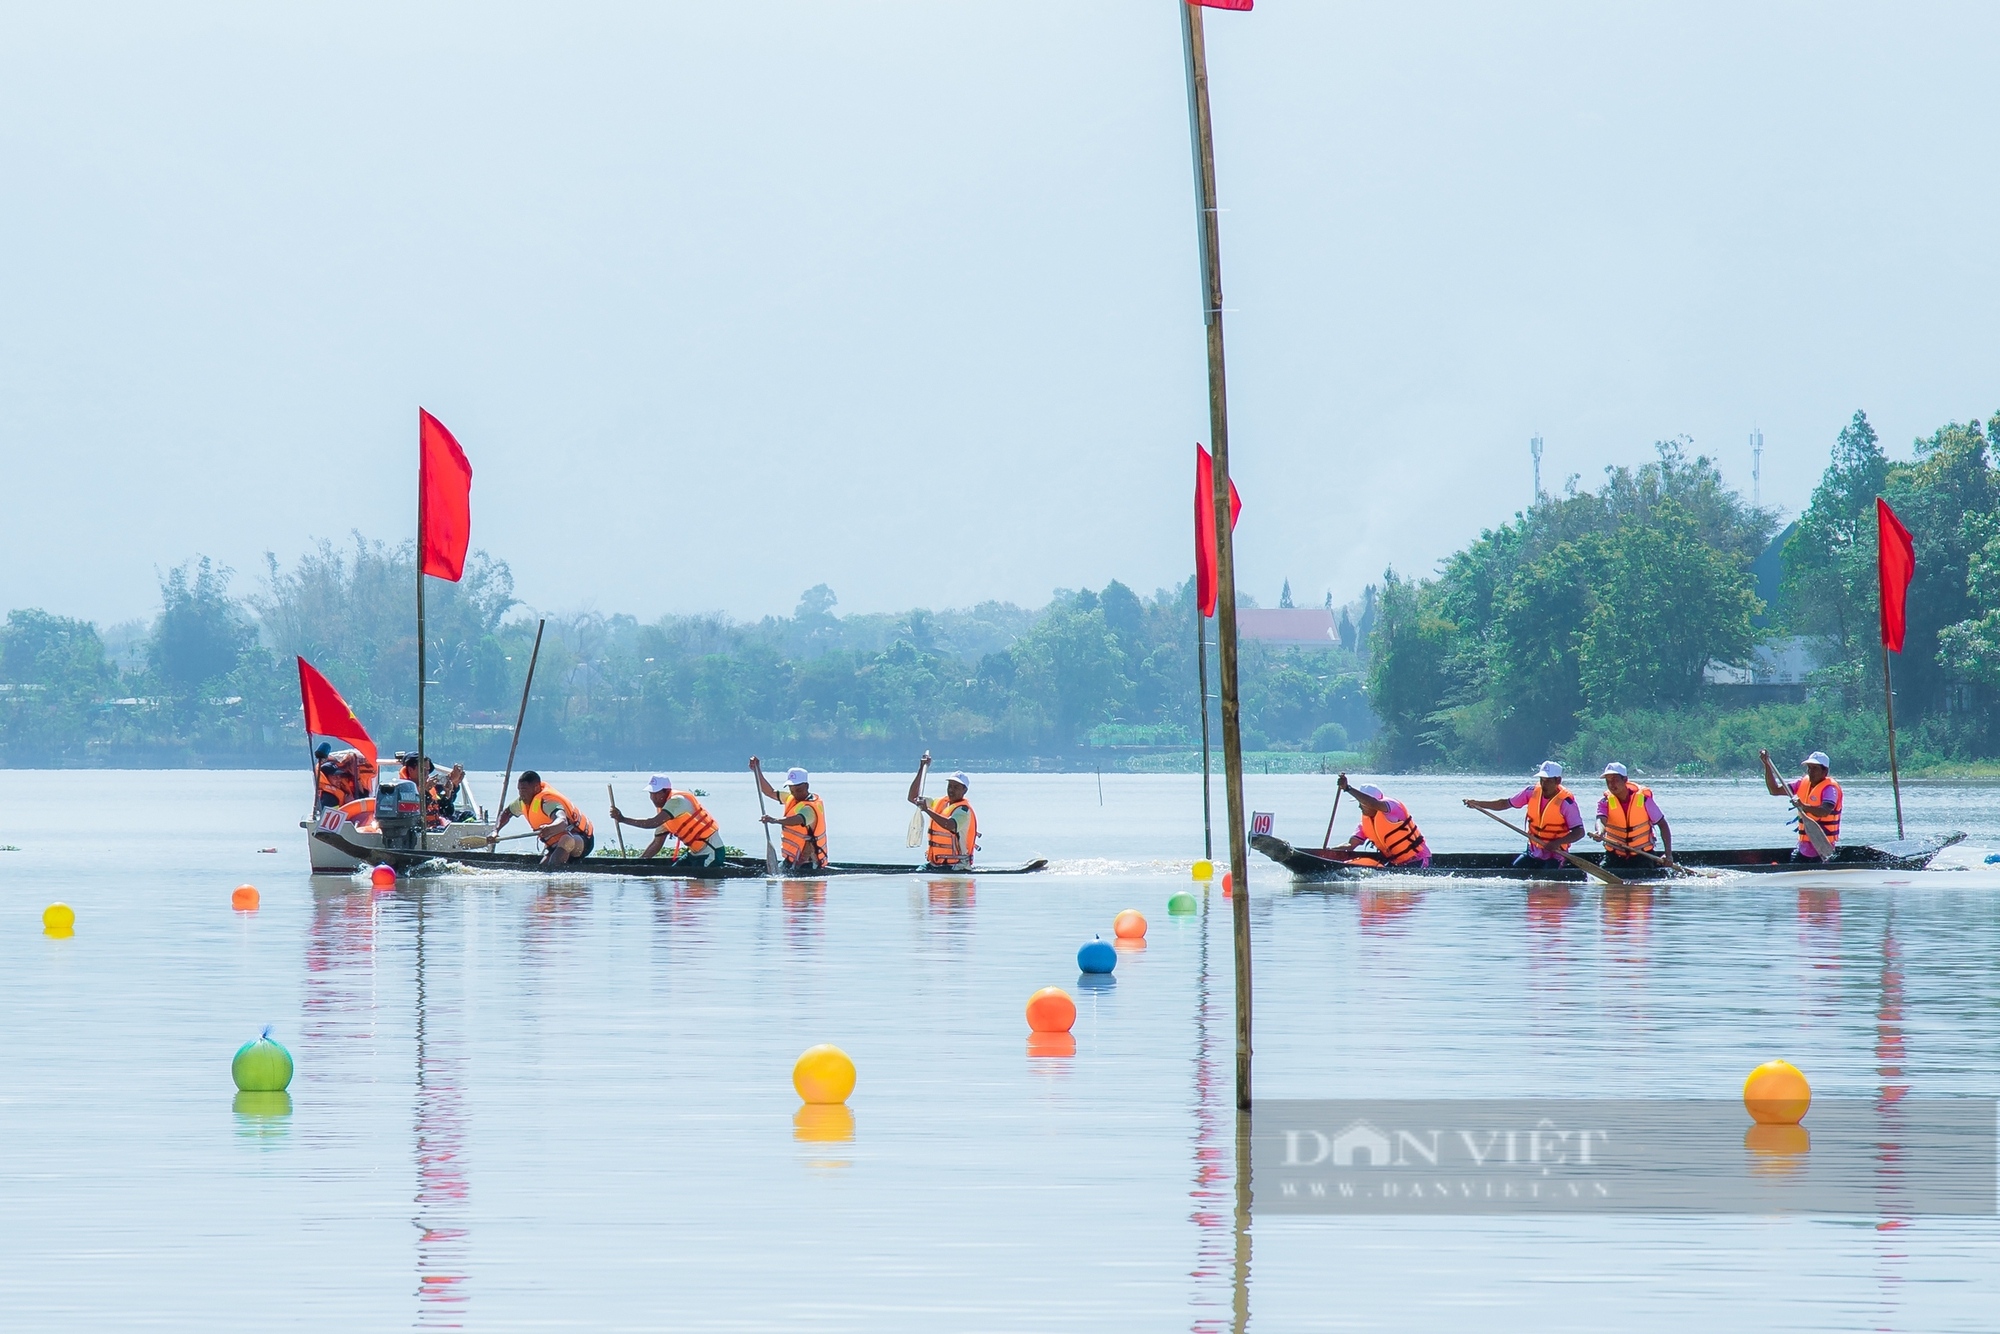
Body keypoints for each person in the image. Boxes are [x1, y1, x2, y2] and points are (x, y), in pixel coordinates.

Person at [1464, 761, 1584, 867]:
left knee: (1548, 876)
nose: (1543, 785)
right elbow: (1504, 803)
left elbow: (1579, 832)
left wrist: (1557, 843)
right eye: (1542, 780)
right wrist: (1478, 804)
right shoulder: (1531, 792)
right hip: (1533, 851)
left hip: (1556, 854)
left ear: (1558, 780)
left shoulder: (1566, 803)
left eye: (1548, 781)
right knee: (1516, 869)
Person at [610, 775, 725, 873]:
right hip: (694, 854)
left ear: (666, 791)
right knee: (674, 875)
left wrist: (623, 819)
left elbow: (652, 823)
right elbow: (657, 843)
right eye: (651, 794)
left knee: (696, 885)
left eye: (656, 794)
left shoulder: (677, 801)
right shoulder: (664, 814)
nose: (653, 798)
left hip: (711, 852)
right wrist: (638, 865)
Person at [492, 770, 595, 867]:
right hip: (555, 846)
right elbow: (506, 813)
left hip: (581, 841)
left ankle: (555, 875)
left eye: (524, 790)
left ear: (536, 788)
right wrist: (495, 831)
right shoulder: (521, 802)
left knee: (566, 840)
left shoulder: (547, 802)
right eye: (519, 790)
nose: (521, 794)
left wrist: (549, 828)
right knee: (543, 867)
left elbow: (562, 821)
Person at [1334, 773, 1430, 867]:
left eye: (1361, 802)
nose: (1359, 806)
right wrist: (1326, 851)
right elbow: (1350, 845)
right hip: (1396, 863)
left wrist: (1348, 788)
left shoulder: (1392, 807)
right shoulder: (1364, 824)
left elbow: (1372, 803)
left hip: (1418, 859)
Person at [1762, 748, 1841, 861]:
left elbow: (1825, 811)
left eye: (1814, 768)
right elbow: (1774, 790)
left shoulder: (1830, 788)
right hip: (1804, 847)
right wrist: (1767, 765)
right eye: (1809, 767)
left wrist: (1803, 806)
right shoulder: (1801, 783)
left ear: (1825, 772)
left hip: (1822, 849)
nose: (1810, 771)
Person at [751, 756, 827, 871]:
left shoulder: (810, 807)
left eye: (799, 790)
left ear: (806, 786)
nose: (795, 794)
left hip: (808, 864)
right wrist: (757, 770)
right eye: (792, 790)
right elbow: (769, 792)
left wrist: (774, 820)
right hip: (791, 860)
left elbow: (797, 820)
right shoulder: (790, 798)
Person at [1591, 762, 1673, 867]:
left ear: (1625, 780)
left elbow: (1663, 825)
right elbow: (1600, 819)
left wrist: (1668, 854)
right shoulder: (1605, 801)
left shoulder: (1643, 799)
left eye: (1615, 780)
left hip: (1642, 855)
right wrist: (1600, 832)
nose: (1611, 784)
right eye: (1608, 781)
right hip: (1615, 855)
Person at [908, 752, 977, 869]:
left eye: (956, 787)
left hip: (957, 865)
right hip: (935, 864)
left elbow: (950, 825)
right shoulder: (938, 802)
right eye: (950, 786)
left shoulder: (963, 811)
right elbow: (912, 797)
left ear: (964, 790)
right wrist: (922, 768)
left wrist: (927, 810)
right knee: (918, 872)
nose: (951, 790)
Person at [400, 753, 467, 826]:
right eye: (423, 770)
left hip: (437, 827)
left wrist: (448, 794)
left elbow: (445, 812)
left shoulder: (432, 788)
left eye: (428, 770)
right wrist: (426, 792)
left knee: (468, 815)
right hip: (422, 830)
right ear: (410, 770)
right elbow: (416, 812)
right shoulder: (404, 790)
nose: (426, 774)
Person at [314, 744, 375, 810]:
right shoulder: (328, 797)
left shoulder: (343, 789)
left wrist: (357, 777)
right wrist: (348, 804)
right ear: (326, 778)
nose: (339, 779)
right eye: (335, 777)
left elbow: (363, 797)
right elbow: (331, 817)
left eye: (339, 776)